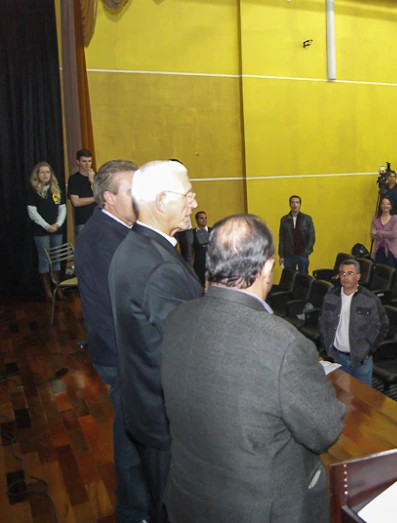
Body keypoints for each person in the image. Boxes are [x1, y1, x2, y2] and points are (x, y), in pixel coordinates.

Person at [160, 214, 345, 523]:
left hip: (189, 498)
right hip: (262, 511)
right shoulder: (285, 343)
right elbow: (324, 431)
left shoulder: (177, 318)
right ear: (268, 269)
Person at [108, 160, 204, 523]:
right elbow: (186, 352)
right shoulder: (159, 265)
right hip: (167, 421)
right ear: (163, 201)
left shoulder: (135, 246)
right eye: (188, 195)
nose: (193, 203)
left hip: (145, 407)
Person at [74, 160, 147, 522]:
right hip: (121, 353)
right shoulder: (102, 238)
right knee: (132, 436)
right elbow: (120, 304)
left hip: (124, 351)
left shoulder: (117, 230)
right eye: (131, 191)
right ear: (108, 198)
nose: (140, 198)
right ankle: (133, 511)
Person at [319, 259, 389, 387]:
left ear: (358, 277)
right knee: (342, 395)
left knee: (363, 399)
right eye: (343, 273)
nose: (346, 277)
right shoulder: (330, 297)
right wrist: (327, 345)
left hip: (361, 359)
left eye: (350, 273)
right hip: (338, 357)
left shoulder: (370, 300)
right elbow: (323, 322)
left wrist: (370, 349)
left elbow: (382, 326)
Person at [27, 162, 67, 301]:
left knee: (57, 258)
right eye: (42, 172)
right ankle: (48, 290)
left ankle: (57, 288)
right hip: (41, 231)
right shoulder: (33, 190)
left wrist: (58, 224)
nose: (45, 174)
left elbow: (62, 208)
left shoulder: (56, 190)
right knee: (45, 260)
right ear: (37, 175)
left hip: (57, 229)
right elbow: (32, 212)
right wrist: (46, 226)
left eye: (47, 172)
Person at [278, 195, 315, 275]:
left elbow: (311, 237)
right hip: (289, 255)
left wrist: (306, 252)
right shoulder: (284, 220)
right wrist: (281, 255)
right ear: (290, 204)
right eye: (293, 202)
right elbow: (282, 239)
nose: (295, 205)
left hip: (302, 254)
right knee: (289, 278)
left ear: (300, 204)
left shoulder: (307, 219)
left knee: (304, 279)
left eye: (297, 202)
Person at [67, 148, 96, 237]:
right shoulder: (74, 179)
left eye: (89, 161)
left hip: (99, 220)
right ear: (78, 162)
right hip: (83, 222)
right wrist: (95, 198)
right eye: (84, 161)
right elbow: (76, 202)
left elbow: (103, 196)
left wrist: (92, 181)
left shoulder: (97, 176)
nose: (87, 164)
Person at [370, 195, 397, 267]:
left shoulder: (395, 218)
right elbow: (372, 235)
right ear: (380, 205)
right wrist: (386, 233)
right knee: (379, 271)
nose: (385, 205)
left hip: (391, 250)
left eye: (388, 204)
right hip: (379, 249)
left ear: (391, 206)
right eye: (383, 203)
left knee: (390, 272)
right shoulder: (375, 218)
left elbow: (394, 234)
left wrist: (378, 232)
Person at [192, 211, 210, 286]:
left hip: (211, 263)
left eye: (205, 218)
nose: (204, 220)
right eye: (201, 218)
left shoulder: (213, 231)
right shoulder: (191, 233)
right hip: (198, 264)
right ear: (196, 220)